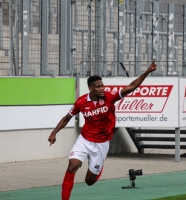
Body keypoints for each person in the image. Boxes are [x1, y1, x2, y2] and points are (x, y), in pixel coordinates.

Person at [48, 59, 157, 200]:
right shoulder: (81, 102)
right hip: (85, 140)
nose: (101, 89)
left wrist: (147, 71)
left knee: (89, 182)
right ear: (90, 89)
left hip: (101, 144)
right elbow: (66, 118)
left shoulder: (109, 97)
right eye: (98, 87)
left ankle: (100, 163)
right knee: (72, 166)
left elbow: (131, 87)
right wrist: (53, 133)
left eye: (102, 86)